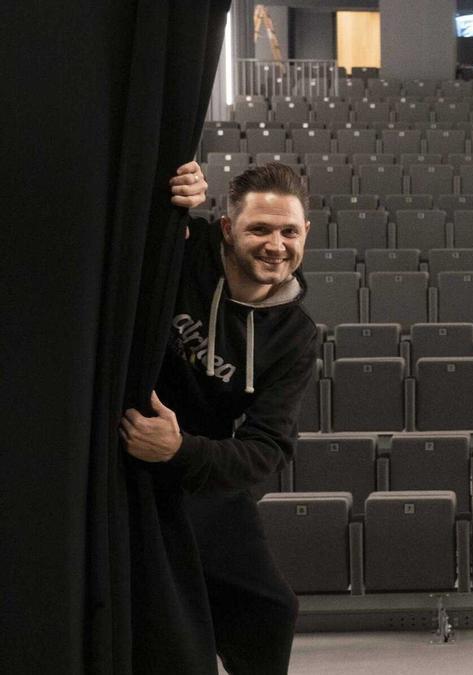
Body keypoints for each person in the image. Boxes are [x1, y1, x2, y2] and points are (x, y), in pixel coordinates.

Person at [120, 162, 319, 674]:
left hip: (196, 465)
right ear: (228, 228)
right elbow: (129, 221)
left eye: (289, 232)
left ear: (305, 233)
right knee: (167, 622)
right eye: (259, 229)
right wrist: (173, 188)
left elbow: (268, 447)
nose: (276, 245)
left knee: (271, 610)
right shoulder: (184, 252)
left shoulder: (296, 335)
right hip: (120, 453)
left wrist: (179, 449)